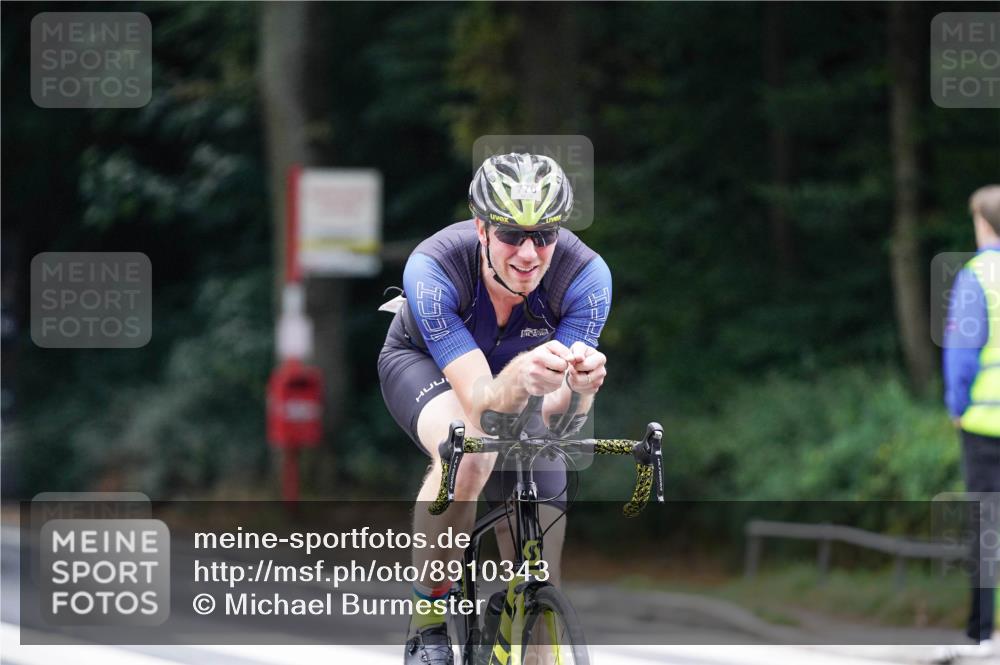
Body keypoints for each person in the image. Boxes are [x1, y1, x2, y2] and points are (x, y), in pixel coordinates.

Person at [377, 153, 612, 665]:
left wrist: (582, 387)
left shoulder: (586, 278)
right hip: (429, 366)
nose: (529, 253)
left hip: (521, 380)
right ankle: (429, 614)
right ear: (481, 227)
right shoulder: (433, 267)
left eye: (545, 235)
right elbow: (483, 408)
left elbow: (555, 421)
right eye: (511, 234)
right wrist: (523, 372)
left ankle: (516, 617)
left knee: (538, 618)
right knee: (469, 455)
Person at [939, 184, 1000, 662]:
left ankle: (980, 635)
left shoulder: (977, 276)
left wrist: (956, 407)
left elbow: (962, 356)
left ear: (983, 223)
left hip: (985, 424)